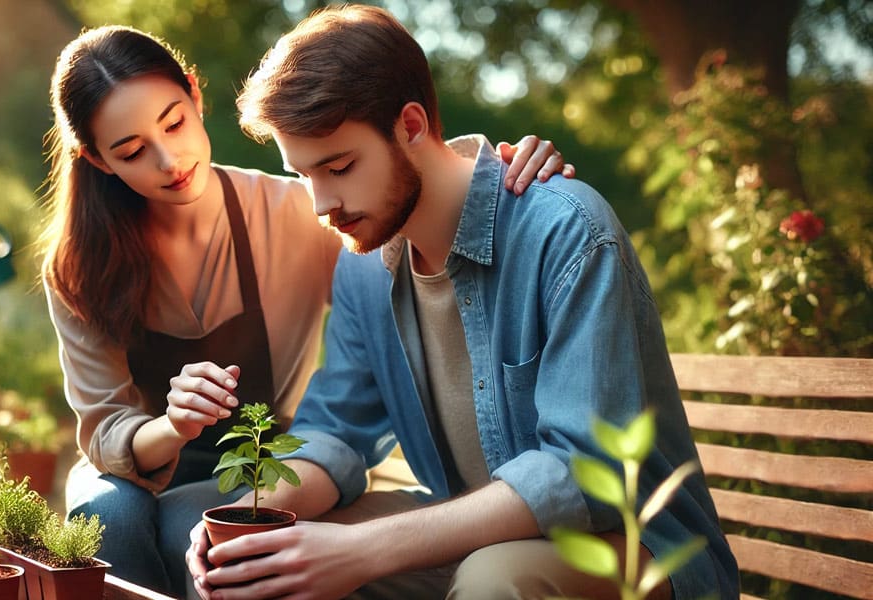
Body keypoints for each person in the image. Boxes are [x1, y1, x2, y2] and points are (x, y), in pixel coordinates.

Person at [187, 6, 738, 600]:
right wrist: (246, 518)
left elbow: (586, 475)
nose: (321, 205)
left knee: (492, 581)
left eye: (339, 166)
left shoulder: (565, 231)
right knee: (257, 568)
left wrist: (362, 550)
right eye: (303, 176)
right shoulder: (363, 264)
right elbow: (338, 431)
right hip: (470, 532)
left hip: (636, 546)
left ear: (412, 125)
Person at [38, 25, 574, 597]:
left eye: (173, 123)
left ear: (195, 96)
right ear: (97, 160)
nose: (169, 160)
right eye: (132, 151)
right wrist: (173, 425)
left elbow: (408, 206)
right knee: (107, 521)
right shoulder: (79, 265)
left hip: (263, 456)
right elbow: (104, 430)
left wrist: (501, 174)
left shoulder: (303, 212)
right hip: (133, 466)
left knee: (196, 533)